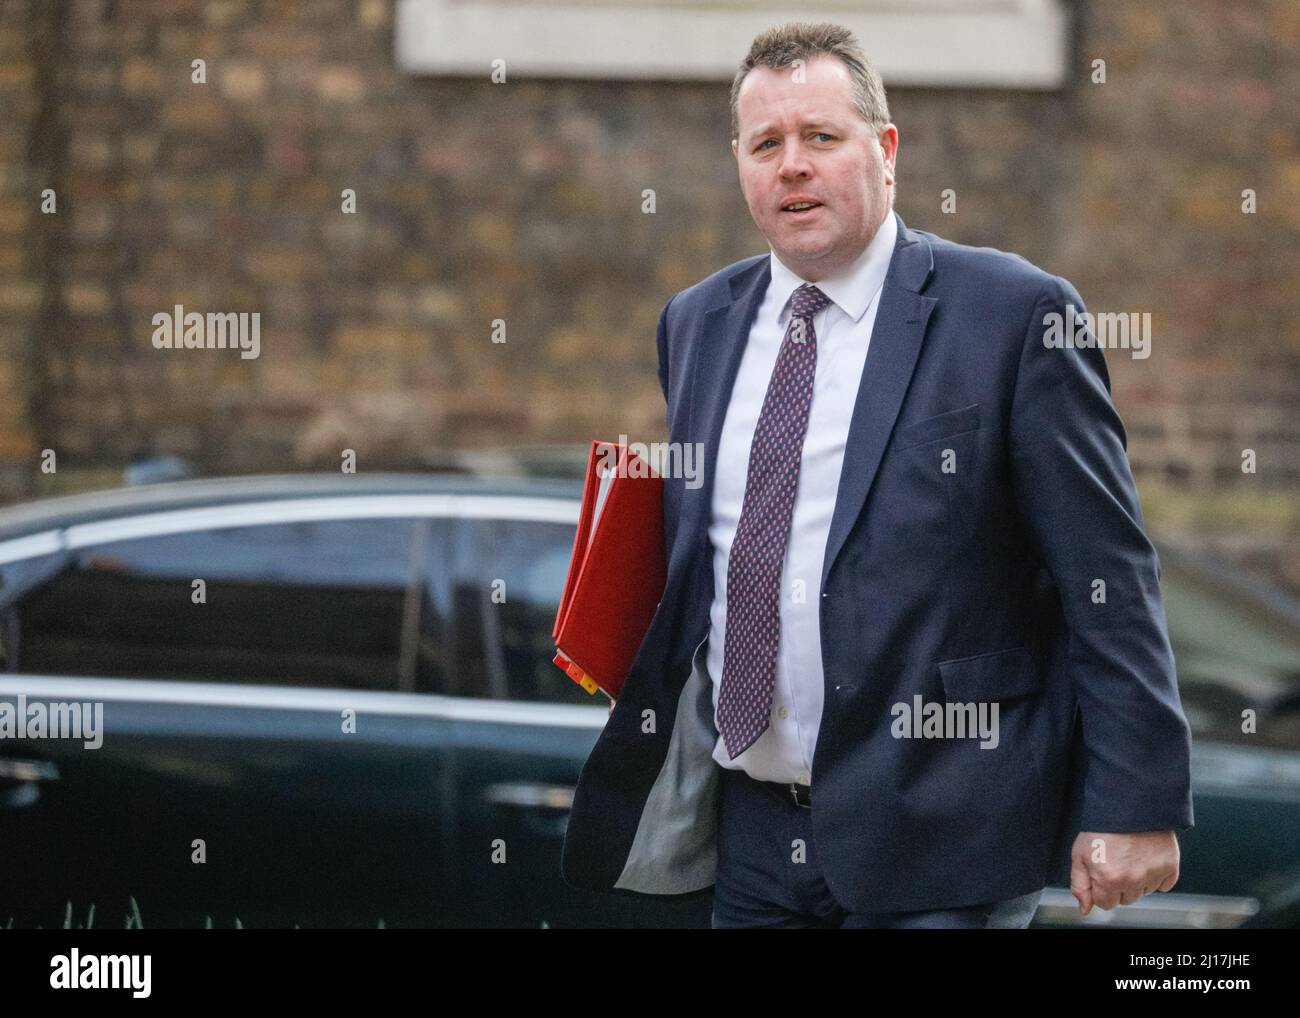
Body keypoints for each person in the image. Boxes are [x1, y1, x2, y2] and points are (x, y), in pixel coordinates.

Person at [563, 21, 1192, 929]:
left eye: (821, 137)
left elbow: (1108, 573)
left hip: (946, 833)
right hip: (752, 834)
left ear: (885, 151)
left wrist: (1138, 803)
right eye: (766, 144)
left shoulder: (1011, 316)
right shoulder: (697, 322)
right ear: (739, 164)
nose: (793, 167)